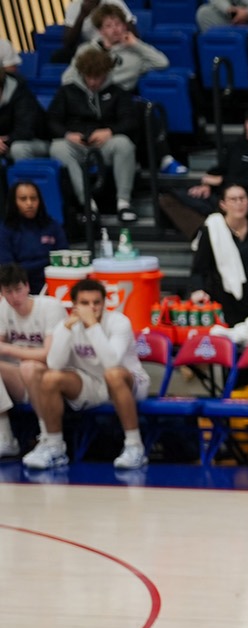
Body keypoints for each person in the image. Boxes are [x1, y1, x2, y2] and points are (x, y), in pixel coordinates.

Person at [17, 276, 148, 471]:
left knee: (113, 375)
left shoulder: (119, 322)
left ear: (104, 303)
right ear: (75, 305)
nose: (91, 308)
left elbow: (111, 362)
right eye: (85, 303)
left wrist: (92, 327)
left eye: (96, 303)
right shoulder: (67, 325)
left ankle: (134, 446)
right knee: (50, 378)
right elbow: (54, 363)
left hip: (127, 381)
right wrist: (66, 331)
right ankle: (54, 447)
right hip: (90, 382)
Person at [47, 47, 140, 226]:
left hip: (104, 144)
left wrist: (110, 131)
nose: (93, 82)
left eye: (98, 77)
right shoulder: (67, 91)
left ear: (106, 74)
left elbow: (130, 121)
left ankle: (123, 203)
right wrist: (67, 135)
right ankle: (87, 205)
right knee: (57, 148)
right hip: (76, 144)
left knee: (124, 144)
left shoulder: (117, 92)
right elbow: (51, 121)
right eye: (89, 77)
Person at [0, 263, 68, 460]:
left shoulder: (50, 307)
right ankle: (5, 438)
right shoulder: (4, 308)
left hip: (52, 377)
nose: (14, 297)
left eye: (18, 290)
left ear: (28, 287)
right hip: (20, 379)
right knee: (27, 367)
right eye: (8, 292)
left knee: (31, 367)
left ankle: (48, 436)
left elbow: (49, 355)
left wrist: (8, 349)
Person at [187, 184, 248, 326]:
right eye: (233, 199)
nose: (239, 203)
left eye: (242, 198)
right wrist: (198, 290)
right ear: (223, 204)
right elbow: (198, 268)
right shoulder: (212, 230)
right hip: (224, 300)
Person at [0, 181, 66, 293]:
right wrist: (45, 264)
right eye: (23, 199)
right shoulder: (5, 230)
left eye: (33, 198)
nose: (29, 203)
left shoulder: (52, 225)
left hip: (52, 284)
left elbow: (64, 256)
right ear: (14, 202)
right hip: (19, 287)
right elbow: (8, 269)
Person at [0, 66, 50, 174]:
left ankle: (25, 187)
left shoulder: (22, 94)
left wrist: (4, 141)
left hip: (36, 141)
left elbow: (25, 131)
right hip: (7, 142)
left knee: (18, 148)